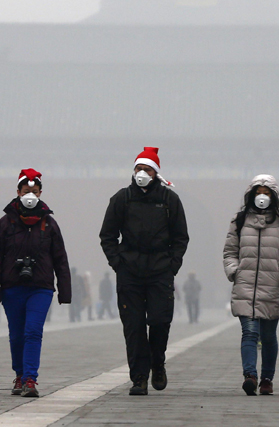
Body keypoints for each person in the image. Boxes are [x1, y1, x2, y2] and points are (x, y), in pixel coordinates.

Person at [99, 147, 189, 396]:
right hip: (130, 272)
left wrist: (173, 264)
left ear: (156, 173)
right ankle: (139, 377)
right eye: (138, 169)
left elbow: (181, 237)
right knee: (134, 326)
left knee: (160, 320)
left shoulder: (170, 200)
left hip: (160, 271)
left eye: (147, 169)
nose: (142, 173)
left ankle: (157, 362)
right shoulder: (122, 199)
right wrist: (117, 262)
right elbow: (107, 235)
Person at [0, 168, 72, 397]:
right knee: (16, 334)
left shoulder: (49, 224)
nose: (30, 195)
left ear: (41, 193)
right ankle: (19, 374)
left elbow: (60, 259)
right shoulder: (6, 223)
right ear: (18, 192)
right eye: (26, 191)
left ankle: (30, 379)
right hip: (12, 287)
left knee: (33, 331)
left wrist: (65, 290)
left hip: (40, 287)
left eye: (35, 191)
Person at [223, 175, 279, 396]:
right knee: (249, 333)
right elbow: (229, 252)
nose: (262, 197)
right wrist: (234, 271)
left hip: (271, 287)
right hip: (245, 285)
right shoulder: (239, 221)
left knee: (268, 337)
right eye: (258, 192)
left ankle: (267, 378)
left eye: (266, 192)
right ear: (251, 195)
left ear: (273, 196)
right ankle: (250, 376)